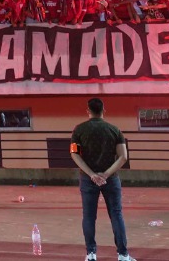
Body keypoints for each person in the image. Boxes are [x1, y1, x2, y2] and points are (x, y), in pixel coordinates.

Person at [70, 97, 135, 261]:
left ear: (88, 111)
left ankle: (91, 254)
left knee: (89, 216)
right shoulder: (114, 130)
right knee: (116, 215)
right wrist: (105, 175)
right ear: (103, 110)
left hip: (87, 179)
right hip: (111, 179)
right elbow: (123, 157)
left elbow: (74, 154)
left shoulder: (79, 130)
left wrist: (92, 174)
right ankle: (123, 255)